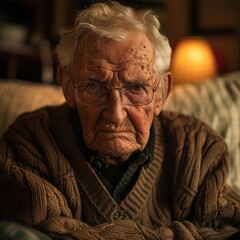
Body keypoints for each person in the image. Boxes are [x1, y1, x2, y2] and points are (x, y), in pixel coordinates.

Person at [0, 1, 240, 239]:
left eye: (136, 87)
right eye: (94, 86)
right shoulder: (29, 144)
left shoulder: (198, 148)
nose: (115, 114)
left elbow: (228, 227)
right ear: (66, 84)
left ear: (162, 93)